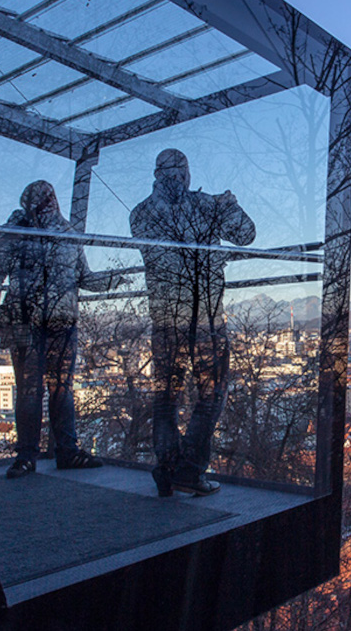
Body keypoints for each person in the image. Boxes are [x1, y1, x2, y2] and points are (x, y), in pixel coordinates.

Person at [130, 149, 255, 497]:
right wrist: (228, 203)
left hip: (164, 320)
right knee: (212, 393)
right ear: (185, 172)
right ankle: (190, 468)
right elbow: (247, 235)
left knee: (165, 398)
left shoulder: (139, 214)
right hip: (204, 318)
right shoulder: (206, 206)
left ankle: (167, 468)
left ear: (156, 174)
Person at [0, 181, 124, 479]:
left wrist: (112, 280)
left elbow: (83, 276)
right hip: (35, 321)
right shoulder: (24, 232)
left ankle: (45, 454)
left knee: (55, 391)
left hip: (55, 322)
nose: (48, 203)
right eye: (44, 199)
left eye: (49, 198)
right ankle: (44, 454)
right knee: (37, 392)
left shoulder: (47, 234)